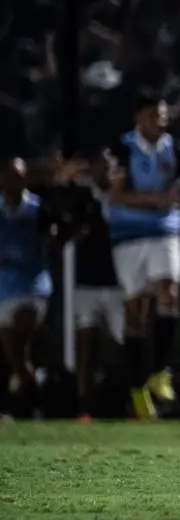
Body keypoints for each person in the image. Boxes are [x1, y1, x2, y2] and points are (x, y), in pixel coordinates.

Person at [105, 90, 180, 419]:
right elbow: (119, 196)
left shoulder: (176, 149)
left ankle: (160, 373)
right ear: (140, 119)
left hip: (165, 232)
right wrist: (158, 199)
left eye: (165, 116)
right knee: (136, 311)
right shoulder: (121, 149)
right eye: (156, 116)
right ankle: (137, 388)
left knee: (169, 291)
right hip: (128, 236)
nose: (162, 122)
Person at [65, 151, 125, 422]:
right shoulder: (81, 197)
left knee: (128, 343)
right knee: (85, 343)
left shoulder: (123, 197)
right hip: (87, 282)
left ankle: (130, 401)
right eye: (103, 166)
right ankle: (83, 404)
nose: (107, 172)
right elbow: (69, 233)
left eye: (111, 167)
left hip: (119, 283)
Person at [0, 157, 52, 418]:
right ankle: (30, 394)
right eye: (10, 175)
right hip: (4, 287)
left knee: (23, 332)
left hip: (33, 284)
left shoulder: (39, 208)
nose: (15, 181)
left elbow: (50, 239)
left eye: (20, 175)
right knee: (15, 351)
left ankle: (25, 388)